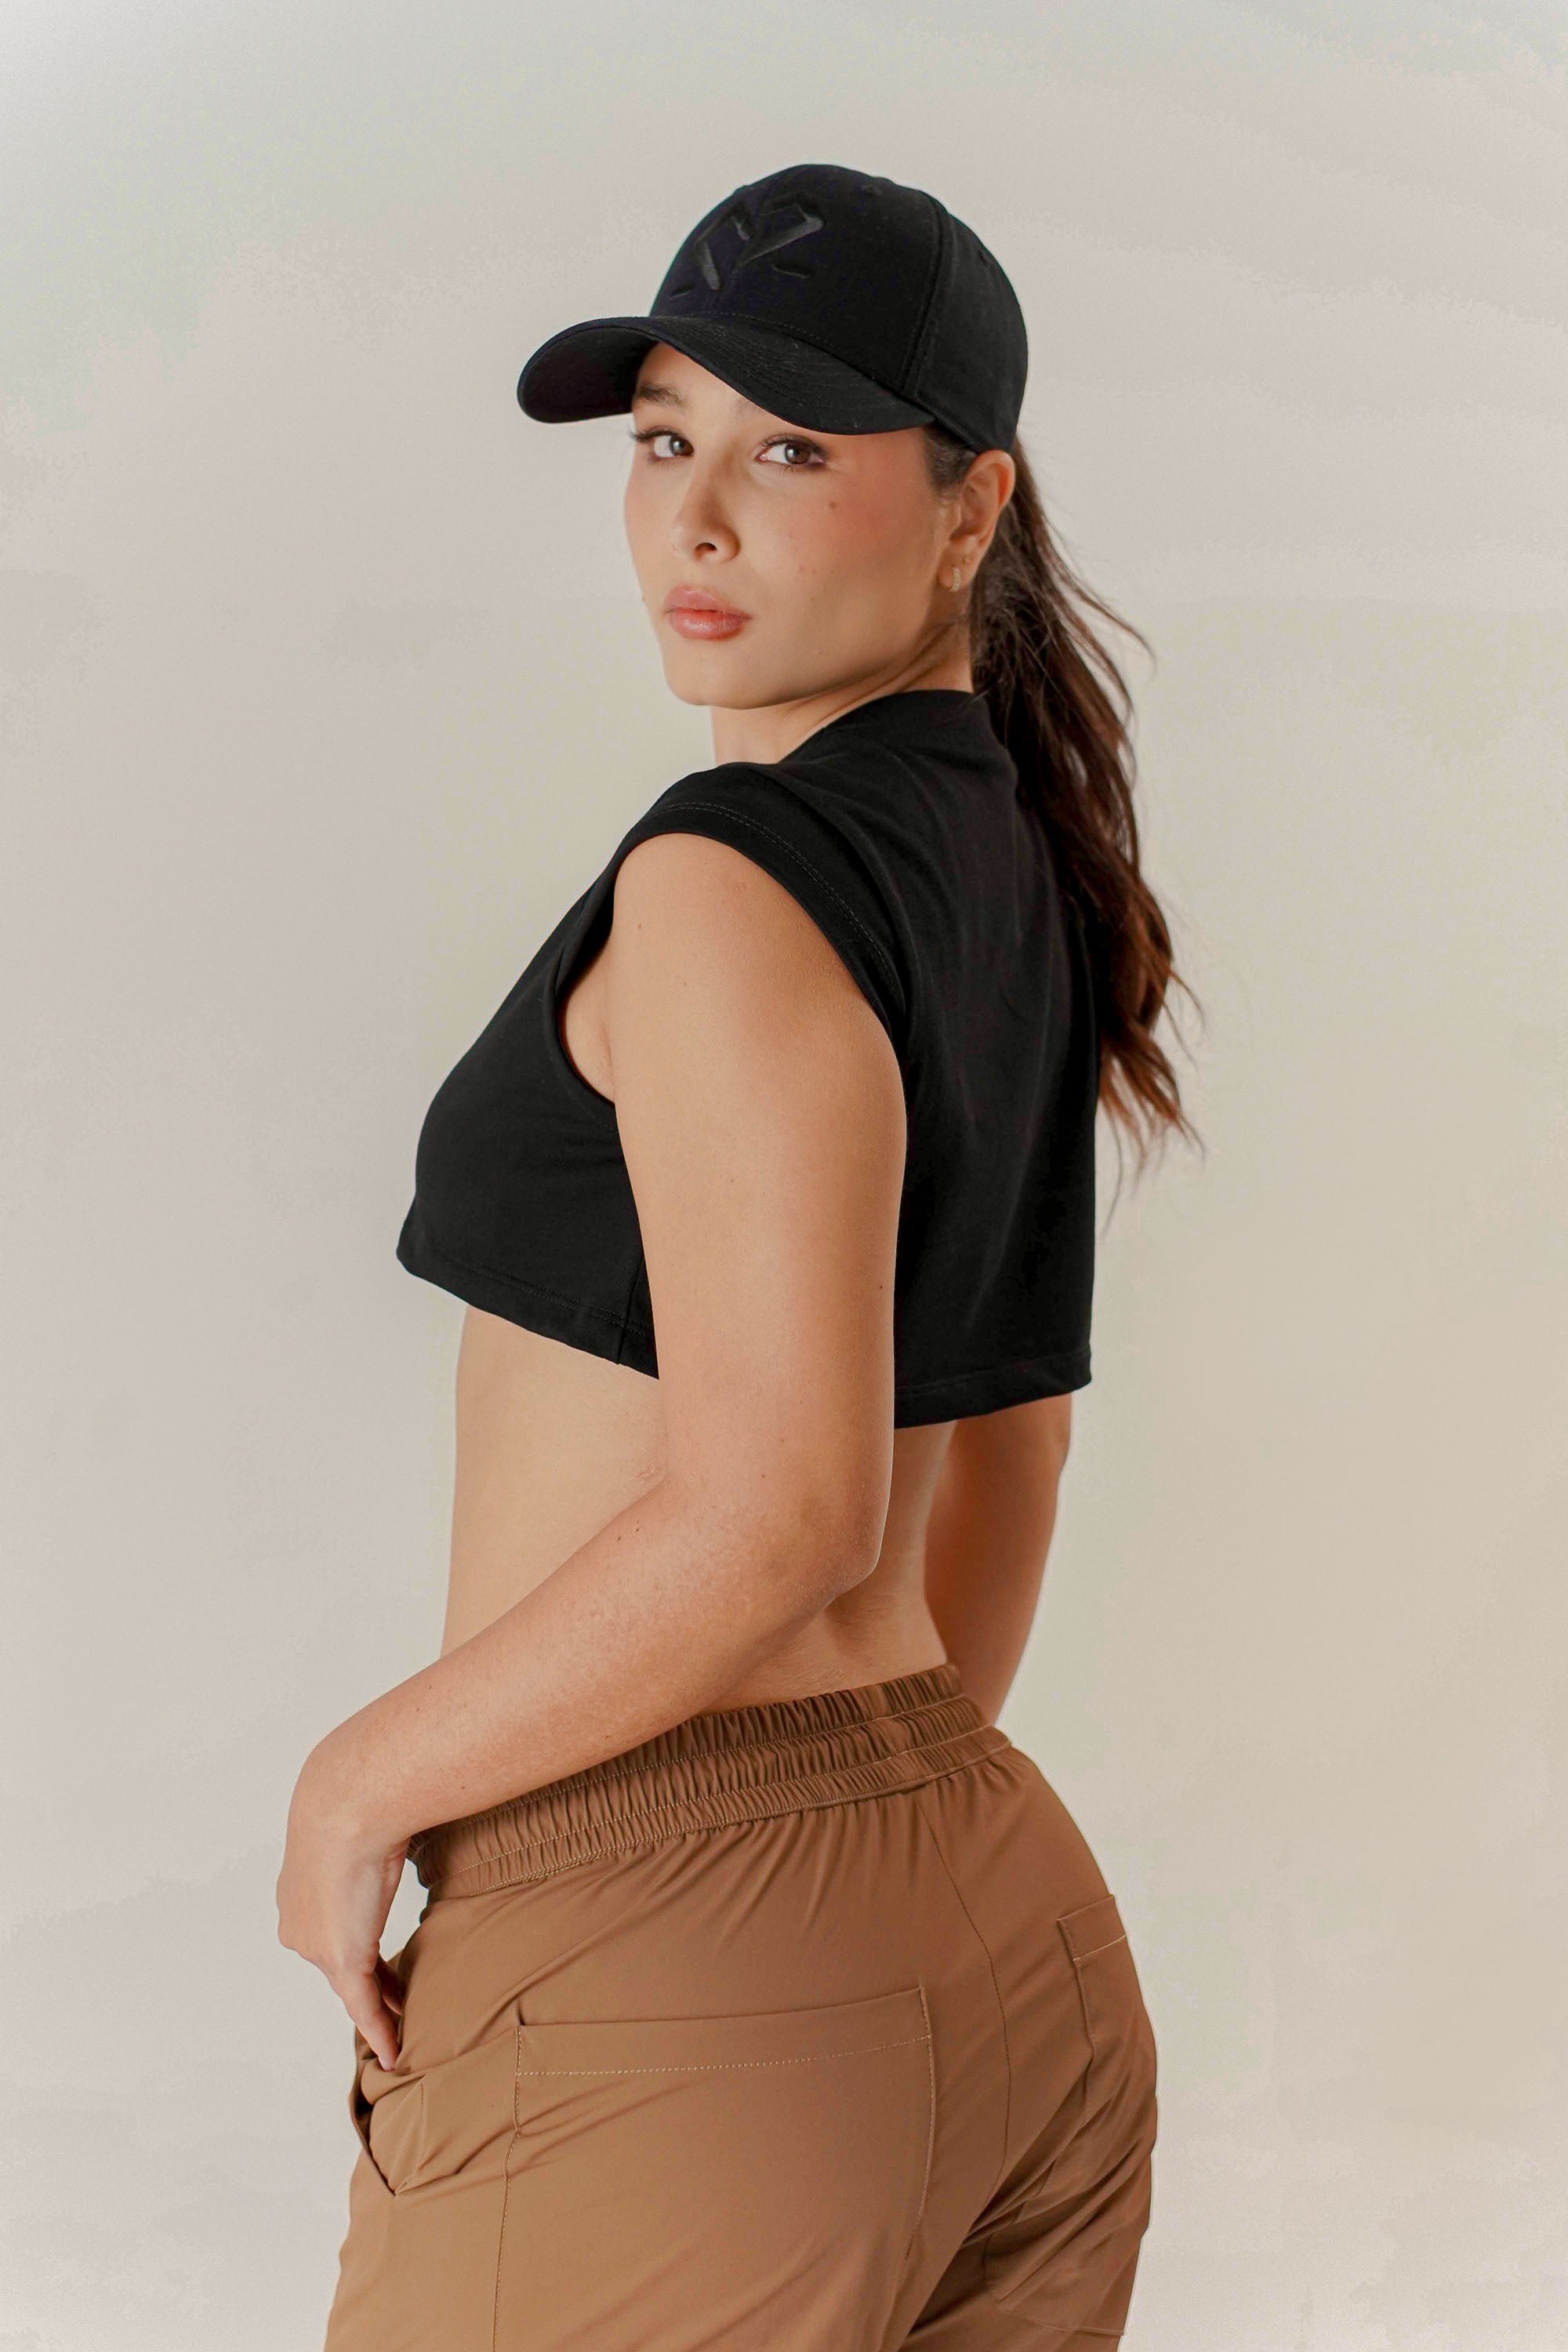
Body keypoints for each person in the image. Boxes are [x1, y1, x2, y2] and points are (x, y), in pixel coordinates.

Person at [278, 161, 1196, 2350]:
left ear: (971, 509)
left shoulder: (725, 881)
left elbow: (783, 1508)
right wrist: (871, 1883)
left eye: (793, 452)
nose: (696, 519)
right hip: (1004, 1933)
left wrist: (356, 1785)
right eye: (664, 438)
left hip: (676, 1954)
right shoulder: (1011, 857)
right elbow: (1012, 1447)